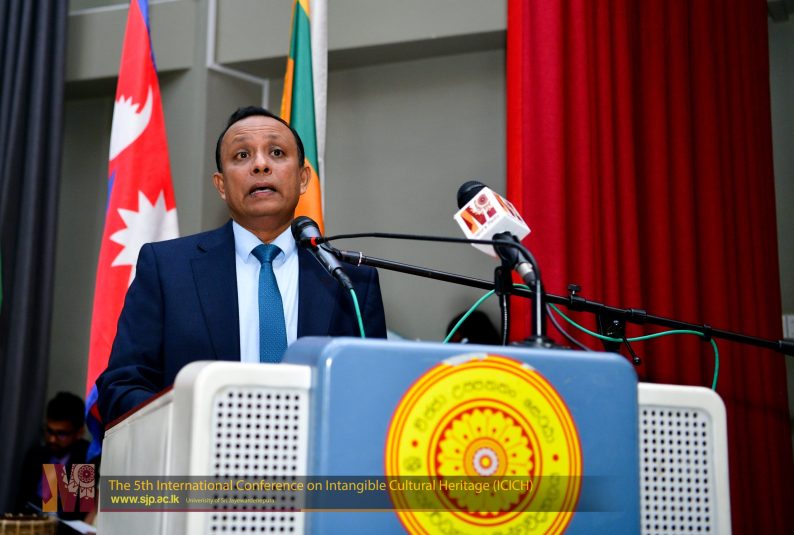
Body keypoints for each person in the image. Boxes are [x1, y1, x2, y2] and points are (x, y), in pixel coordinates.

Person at [97, 106, 387, 424]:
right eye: (242, 155)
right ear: (221, 185)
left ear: (303, 178)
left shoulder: (351, 282)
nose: (261, 165)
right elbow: (122, 386)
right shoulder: (167, 269)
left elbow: (376, 392)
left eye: (276, 153)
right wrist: (196, 426)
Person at [17, 392, 94, 525]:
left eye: (61, 434)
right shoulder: (36, 455)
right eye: (49, 431)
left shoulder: (86, 458)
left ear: (79, 432)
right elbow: (22, 503)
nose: (52, 439)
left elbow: (80, 512)